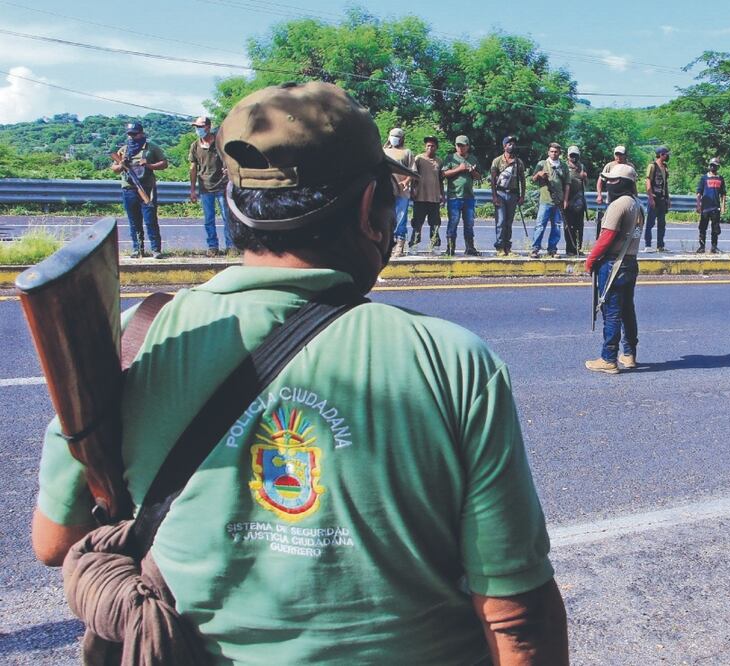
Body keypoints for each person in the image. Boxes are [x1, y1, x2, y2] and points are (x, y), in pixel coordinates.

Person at [31, 82, 569, 663]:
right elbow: (517, 618)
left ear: (236, 204)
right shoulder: (453, 361)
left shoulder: (136, 337)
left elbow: (54, 539)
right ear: (369, 210)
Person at [584, 164, 642, 374]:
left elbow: (606, 237)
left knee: (612, 311)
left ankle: (608, 358)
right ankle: (629, 354)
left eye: (612, 180)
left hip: (613, 264)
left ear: (622, 183)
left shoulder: (619, 205)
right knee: (627, 310)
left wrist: (590, 259)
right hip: (630, 262)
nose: (608, 184)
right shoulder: (637, 204)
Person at [112, 121, 168, 259]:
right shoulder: (123, 150)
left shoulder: (151, 148)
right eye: (130, 134)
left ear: (141, 134)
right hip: (129, 188)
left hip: (147, 188)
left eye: (134, 134)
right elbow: (114, 169)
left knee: (150, 219)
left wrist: (149, 165)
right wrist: (121, 165)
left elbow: (164, 163)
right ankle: (137, 249)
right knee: (134, 221)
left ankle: (156, 249)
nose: (131, 137)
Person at [187, 116, 232, 257]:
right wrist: (193, 189)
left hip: (222, 186)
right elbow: (193, 168)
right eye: (196, 127)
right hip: (205, 187)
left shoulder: (220, 143)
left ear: (208, 127)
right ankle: (213, 246)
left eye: (200, 127)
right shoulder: (195, 146)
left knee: (227, 218)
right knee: (209, 219)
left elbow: (230, 160)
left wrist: (228, 170)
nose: (197, 130)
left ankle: (231, 246)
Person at [442, 135, 483, 256]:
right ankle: (450, 249)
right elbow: (444, 173)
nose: (460, 148)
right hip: (454, 196)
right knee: (453, 222)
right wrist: (459, 169)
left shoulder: (473, 159)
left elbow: (479, 177)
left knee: (469, 223)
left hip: (468, 197)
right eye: (458, 145)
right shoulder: (450, 158)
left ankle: (470, 247)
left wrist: (472, 171)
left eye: (462, 146)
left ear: (467, 146)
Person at [530, 142, 569, 258]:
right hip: (545, 200)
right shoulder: (542, 164)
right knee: (540, 225)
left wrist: (565, 200)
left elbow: (567, 184)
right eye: (551, 151)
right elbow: (532, 179)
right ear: (548, 152)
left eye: (556, 151)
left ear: (559, 153)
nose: (554, 153)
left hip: (558, 201)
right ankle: (535, 249)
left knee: (556, 226)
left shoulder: (563, 166)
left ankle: (552, 249)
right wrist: (539, 175)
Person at [490, 135, 527, 257]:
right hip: (500, 193)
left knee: (509, 222)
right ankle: (500, 247)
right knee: (500, 221)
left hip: (513, 194)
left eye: (513, 144)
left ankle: (507, 247)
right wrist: (494, 196)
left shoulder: (518, 162)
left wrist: (522, 196)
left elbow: (522, 179)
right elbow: (493, 179)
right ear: (504, 146)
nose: (512, 146)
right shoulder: (497, 161)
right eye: (509, 144)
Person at [384, 127, 415, 258]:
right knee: (386, 219)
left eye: (397, 136)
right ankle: (387, 245)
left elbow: (412, 171)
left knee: (401, 219)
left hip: (402, 192)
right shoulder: (383, 151)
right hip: (386, 191)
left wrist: (406, 181)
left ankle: (399, 246)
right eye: (392, 135)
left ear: (402, 138)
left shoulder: (406, 152)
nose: (394, 138)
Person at [410, 135, 444, 251]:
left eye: (433, 146)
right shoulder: (419, 159)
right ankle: (413, 244)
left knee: (435, 223)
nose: (430, 148)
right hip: (420, 197)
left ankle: (434, 244)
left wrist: (442, 195)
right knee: (417, 223)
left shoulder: (439, 161)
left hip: (434, 198)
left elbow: (440, 180)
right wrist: (412, 190)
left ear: (436, 147)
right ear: (425, 147)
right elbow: (413, 176)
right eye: (428, 145)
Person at [594, 145, 635, 238]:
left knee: (625, 222)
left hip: (626, 197)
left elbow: (633, 183)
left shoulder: (630, 166)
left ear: (625, 155)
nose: (618, 157)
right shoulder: (609, 166)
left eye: (621, 155)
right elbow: (600, 181)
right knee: (609, 221)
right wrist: (599, 195)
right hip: (612, 197)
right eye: (616, 155)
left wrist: (635, 196)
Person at [695, 158, 727, 254]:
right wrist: (698, 205)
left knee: (715, 228)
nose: (713, 167)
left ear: (718, 167)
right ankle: (702, 246)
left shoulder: (720, 179)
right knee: (702, 228)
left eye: (715, 165)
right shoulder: (704, 178)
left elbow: (723, 194)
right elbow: (699, 193)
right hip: (705, 207)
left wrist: (723, 206)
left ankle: (714, 247)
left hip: (715, 207)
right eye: (711, 165)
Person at [644, 146, 671, 252]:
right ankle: (648, 245)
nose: (667, 156)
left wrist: (668, 198)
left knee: (662, 223)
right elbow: (648, 182)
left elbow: (665, 184)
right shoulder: (652, 166)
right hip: (654, 198)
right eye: (666, 154)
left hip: (662, 199)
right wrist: (650, 197)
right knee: (650, 223)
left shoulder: (665, 167)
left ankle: (660, 245)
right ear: (661, 154)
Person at [564, 145, 589, 256]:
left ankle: (578, 249)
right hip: (568, 199)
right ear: (568, 155)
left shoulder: (581, 166)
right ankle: (570, 249)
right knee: (569, 226)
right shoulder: (564, 166)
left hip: (579, 200)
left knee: (579, 226)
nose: (573, 157)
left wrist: (585, 177)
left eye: (575, 155)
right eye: (571, 155)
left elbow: (586, 183)